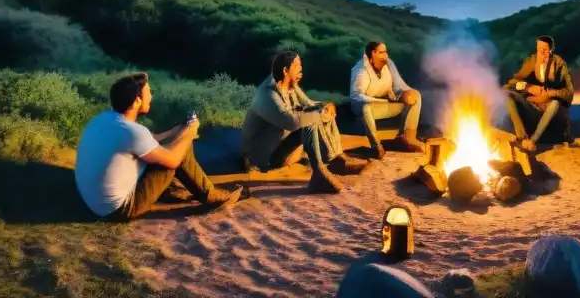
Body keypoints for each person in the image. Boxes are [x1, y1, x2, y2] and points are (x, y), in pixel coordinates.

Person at [74, 72, 242, 221]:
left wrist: (179, 130)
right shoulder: (133, 132)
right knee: (181, 151)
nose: (151, 97)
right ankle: (213, 197)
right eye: (148, 92)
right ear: (137, 100)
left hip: (95, 201)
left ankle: (172, 190)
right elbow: (174, 160)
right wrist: (189, 134)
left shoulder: (105, 119)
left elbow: (150, 140)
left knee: (175, 145)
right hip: (120, 209)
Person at [241, 51, 367, 193]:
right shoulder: (268, 93)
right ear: (285, 70)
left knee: (323, 111)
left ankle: (337, 160)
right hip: (264, 157)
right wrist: (319, 112)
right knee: (310, 120)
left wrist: (324, 106)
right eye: (297, 65)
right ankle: (319, 174)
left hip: (281, 146)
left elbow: (309, 104)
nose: (301, 68)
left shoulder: (290, 86)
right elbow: (290, 122)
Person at [349, 41, 424, 159]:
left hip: (387, 103)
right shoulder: (360, 71)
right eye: (382, 52)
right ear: (373, 53)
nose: (386, 56)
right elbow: (356, 96)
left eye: (386, 52)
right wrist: (380, 101)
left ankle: (406, 138)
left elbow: (399, 85)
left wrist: (405, 93)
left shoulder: (388, 64)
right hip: (368, 108)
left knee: (415, 96)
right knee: (366, 108)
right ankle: (376, 147)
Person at [503, 34, 574, 152]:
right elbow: (514, 81)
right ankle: (522, 137)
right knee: (507, 95)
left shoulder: (559, 64)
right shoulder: (531, 61)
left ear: (551, 50)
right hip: (533, 104)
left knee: (555, 104)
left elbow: (569, 93)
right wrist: (528, 87)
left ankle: (533, 140)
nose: (541, 53)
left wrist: (550, 93)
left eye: (545, 50)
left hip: (552, 107)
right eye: (539, 49)